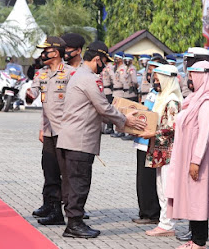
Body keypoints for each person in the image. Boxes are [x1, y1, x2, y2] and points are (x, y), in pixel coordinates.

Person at [56, 41, 146, 238]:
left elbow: (99, 109)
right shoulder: (88, 78)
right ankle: (74, 224)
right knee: (79, 184)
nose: (104, 67)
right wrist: (125, 119)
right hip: (80, 141)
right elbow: (103, 107)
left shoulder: (80, 75)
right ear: (97, 59)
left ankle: (73, 222)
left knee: (72, 184)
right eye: (104, 62)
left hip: (70, 139)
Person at [167, 60, 209, 249]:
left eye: (193, 75)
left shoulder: (208, 103)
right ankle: (194, 239)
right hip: (188, 156)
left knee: (198, 199)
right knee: (192, 198)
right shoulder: (195, 98)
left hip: (199, 159)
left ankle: (200, 242)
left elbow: (204, 134)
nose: (190, 79)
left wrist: (196, 161)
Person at [26, 36, 70, 225]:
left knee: (67, 172)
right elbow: (35, 92)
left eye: (46, 51)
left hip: (67, 132)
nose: (43, 54)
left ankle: (72, 209)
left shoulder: (70, 74)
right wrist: (29, 95)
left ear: (56, 52)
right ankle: (53, 209)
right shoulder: (41, 73)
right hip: (49, 131)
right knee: (50, 170)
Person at [140, 64, 183, 237]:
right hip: (159, 149)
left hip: (168, 151)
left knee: (166, 188)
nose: (156, 83)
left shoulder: (172, 101)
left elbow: (173, 128)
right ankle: (164, 223)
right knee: (161, 187)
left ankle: (167, 224)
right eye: (155, 80)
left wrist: (153, 133)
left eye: (158, 80)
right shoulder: (162, 98)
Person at [132, 60, 163, 225]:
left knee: (150, 179)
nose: (153, 75)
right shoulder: (152, 91)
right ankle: (144, 211)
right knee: (142, 178)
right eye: (151, 72)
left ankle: (152, 213)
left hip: (153, 141)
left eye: (156, 73)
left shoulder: (166, 93)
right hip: (142, 139)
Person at [122, 54, 139, 141]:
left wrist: (135, 87)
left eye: (128, 60)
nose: (127, 61)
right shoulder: (127, 69)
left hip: (131, 93)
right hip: (126, 93)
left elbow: (135, 80)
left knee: (131, 112)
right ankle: (128, 132)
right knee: (127, 112)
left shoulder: (132, 69)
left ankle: (131, 132)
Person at [111, 52, 127, 138]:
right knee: (116, 111)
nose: (115, 59)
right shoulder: (117, 68)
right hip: (115, 92)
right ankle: (118, 130)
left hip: (120, 92)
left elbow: (124, 82)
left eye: (117, 57)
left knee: (120, 112)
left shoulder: (122, 69)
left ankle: (121, 131)